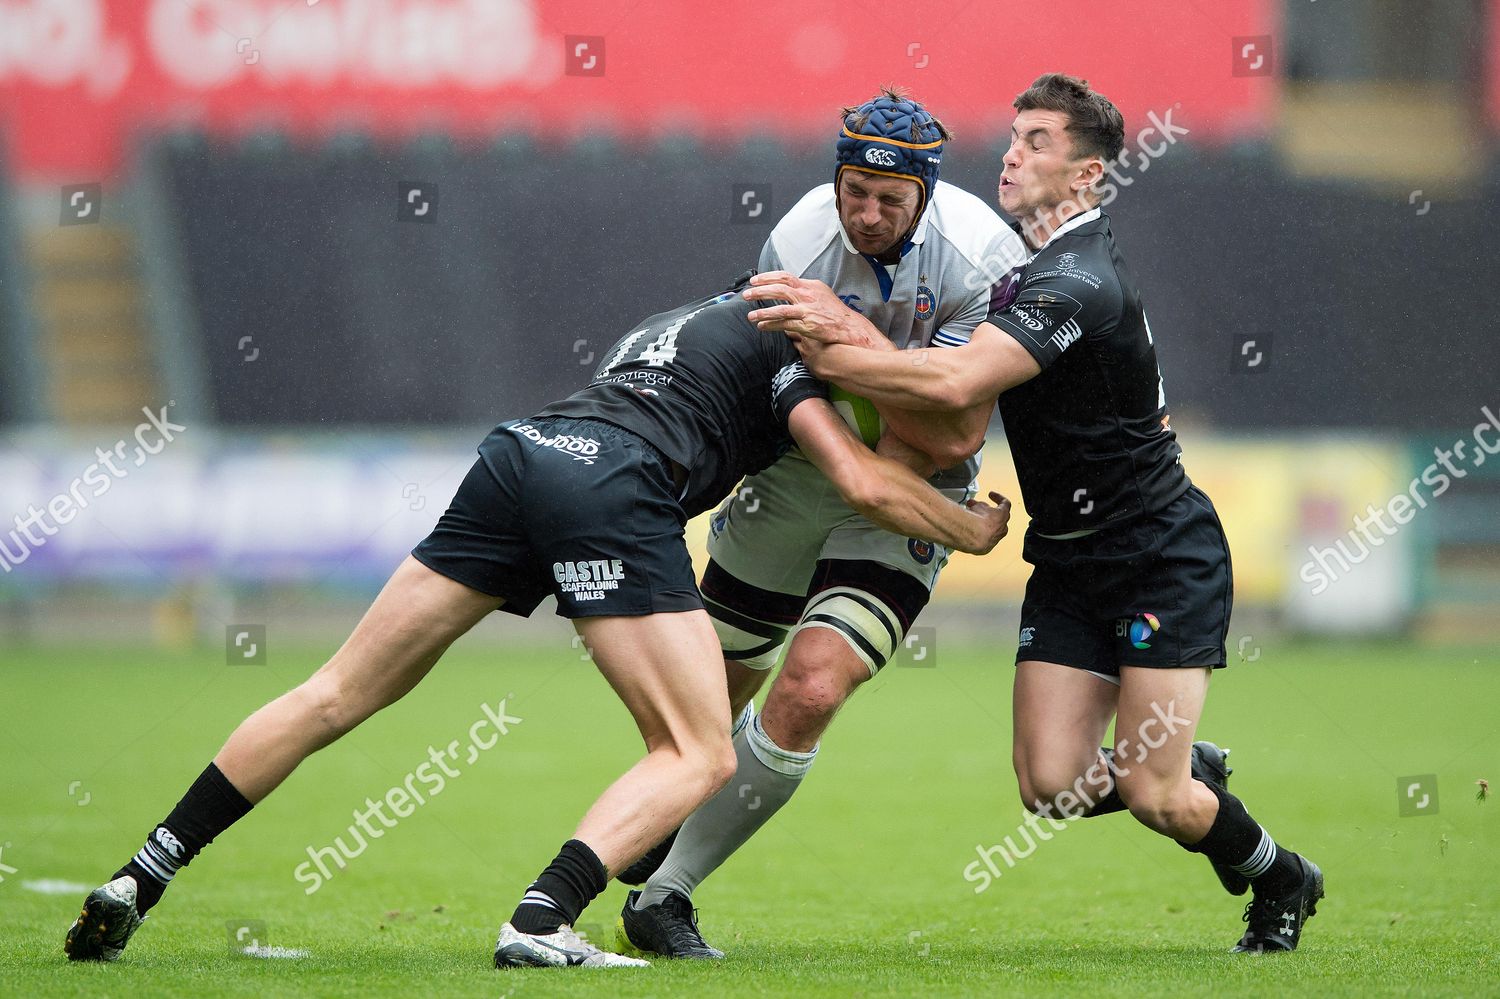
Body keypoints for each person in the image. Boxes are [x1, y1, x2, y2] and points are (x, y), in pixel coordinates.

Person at [63, 279, 1012, 969]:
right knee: (699, 753)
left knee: (334, 691)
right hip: (608, 482)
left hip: (520, 455)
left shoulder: (673, 320)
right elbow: (855, 478)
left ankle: (138, 877)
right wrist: (968, 526)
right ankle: (544, 916)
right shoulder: (787, 351)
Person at [746, 74, 1323, 954]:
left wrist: (827, 337)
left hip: (1158, 554)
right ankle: (1167, 770)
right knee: (1049, 784)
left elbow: (951, 385)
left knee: (1160, 799)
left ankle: (1279, 873)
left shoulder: (1077, 279)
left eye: (1041, 142)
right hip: (1067, 560)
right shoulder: (1025, 266)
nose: (1014, 154)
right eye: (1015, 136)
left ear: (1088, 177)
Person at [617, 88, 1027, 959]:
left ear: (926, 194)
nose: (867, 215)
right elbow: (786, 382)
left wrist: (844, 337)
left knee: (808, 689)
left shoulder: (985, 256)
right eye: (854, 193)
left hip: (917, 487)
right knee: (704, 697)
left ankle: (666, 896)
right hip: (795, 473)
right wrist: (886, 379)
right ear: (834, 180)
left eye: (891, 200)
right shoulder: (797, 238)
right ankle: (651, 823)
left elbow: (952, 429)